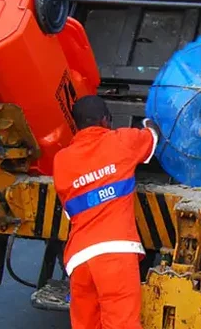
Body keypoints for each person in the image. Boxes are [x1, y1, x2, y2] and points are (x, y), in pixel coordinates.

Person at [52, 95, 160, 329]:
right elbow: (152, 138)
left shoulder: (61, 161)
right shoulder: (122, 141)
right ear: (105, 121)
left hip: (79, 259)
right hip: (115, 256)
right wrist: (150, 122)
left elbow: (72, 211)